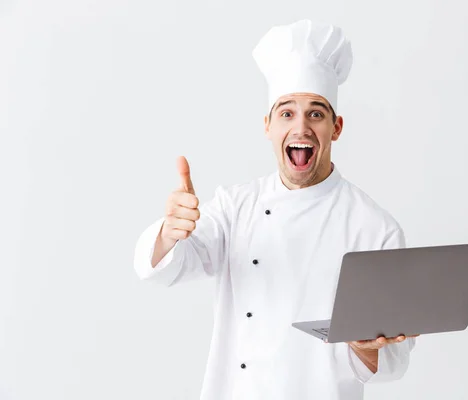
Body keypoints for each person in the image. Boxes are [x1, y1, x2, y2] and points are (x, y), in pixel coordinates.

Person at [133, 19, 419, 400]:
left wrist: (367, 348)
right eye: (286, 113)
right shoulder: (236, 206)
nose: (300, 126)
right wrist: (169, 232)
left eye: (316, 113)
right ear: (268, 126)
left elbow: (395, 361)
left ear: (336, 127)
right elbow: (171, 266)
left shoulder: (374, 227)